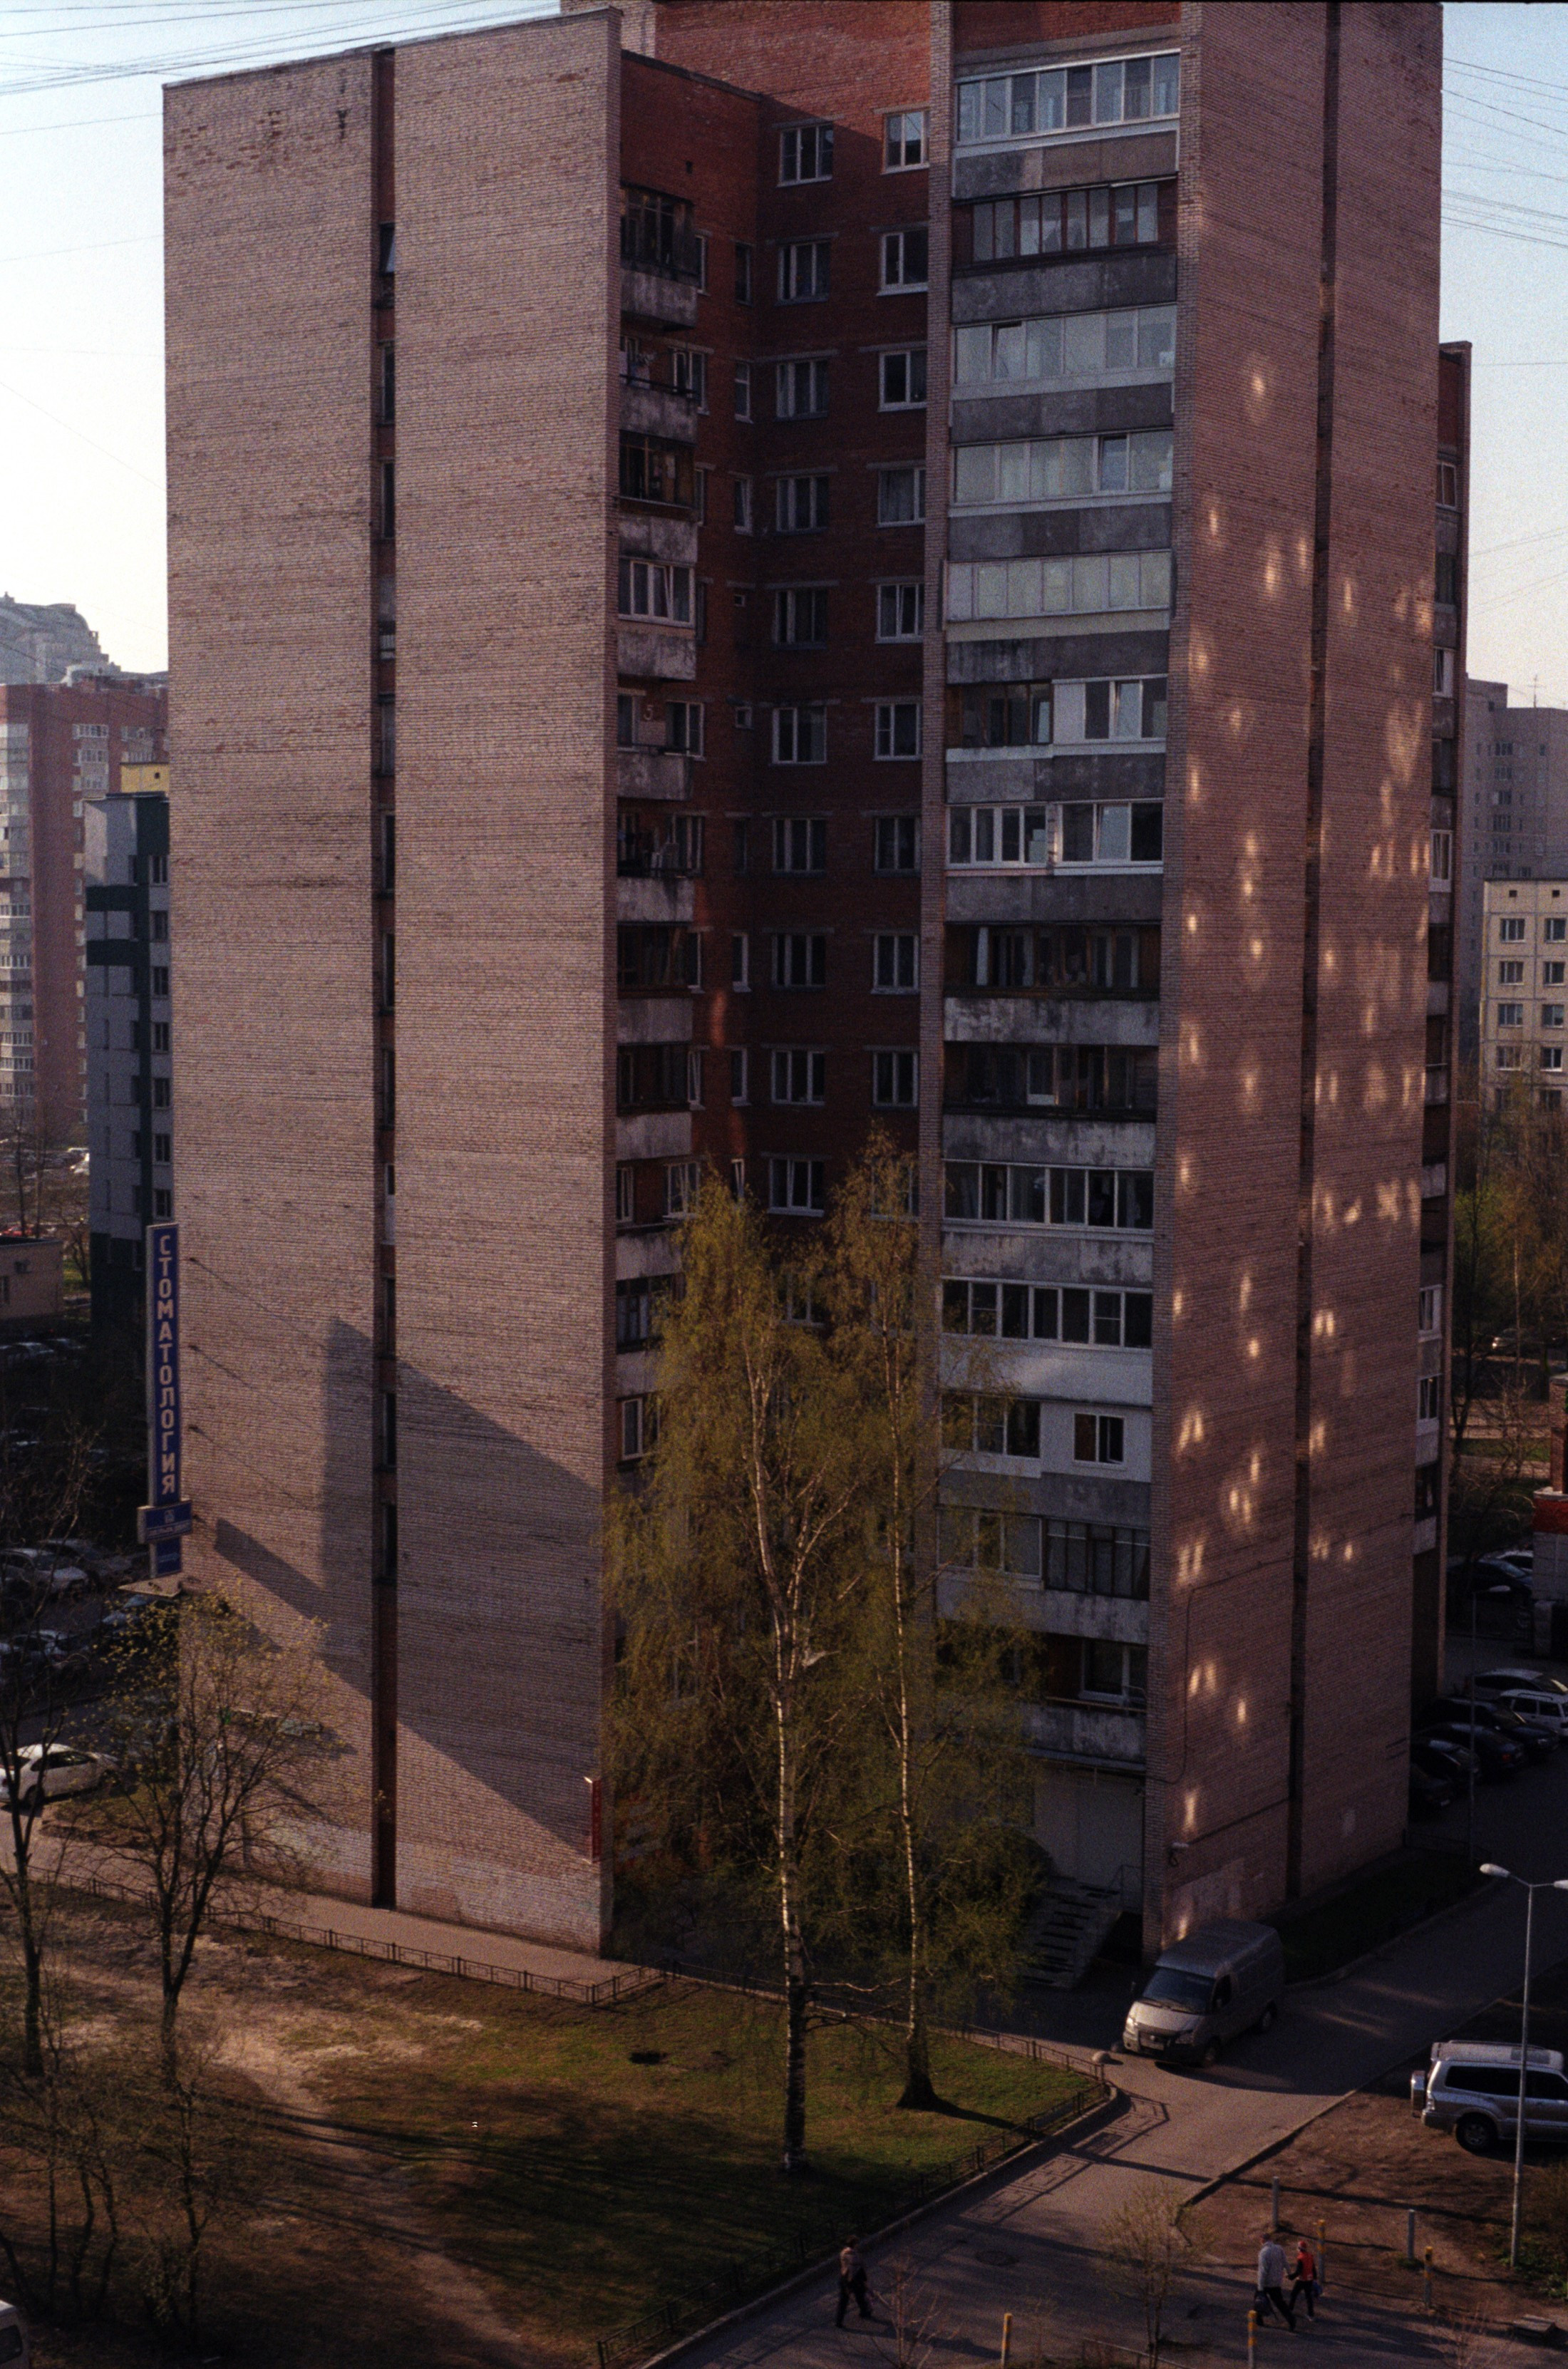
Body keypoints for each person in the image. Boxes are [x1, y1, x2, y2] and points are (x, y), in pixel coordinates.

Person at [1255, 2235, 1296, 2331]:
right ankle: (1291, 2319)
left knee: (1258, 2299)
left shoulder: (1264, 2253)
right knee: (1280, 2302)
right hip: (1277, 2281)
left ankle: (1259, 2319)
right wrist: (1289, 2273)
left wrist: (1260, 2287)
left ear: (1262, 2240)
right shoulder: (1279, 2249)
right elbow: (1285, 2262)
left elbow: (1263, 2271)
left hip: (1267, 2283)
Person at [1289, 2236, 1319, 2321]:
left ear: (1299, 2248)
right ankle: (1311, 2315)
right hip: (1309, 2280)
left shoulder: (1300, 2258)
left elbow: (1299, 2271)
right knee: (1309, 2298)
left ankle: (1290, 2310)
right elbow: (1313, 2268)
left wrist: (1291, 2277)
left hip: (1301, 2280)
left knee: (1294, 2294)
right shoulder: (1310, 2256)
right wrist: (1315, 2278)